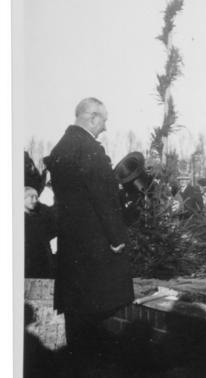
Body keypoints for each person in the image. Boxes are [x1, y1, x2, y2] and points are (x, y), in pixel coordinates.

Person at [45, 98, 134, 354]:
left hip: (72, 245)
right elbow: (105, 200)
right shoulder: (90, 149)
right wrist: (117, 238)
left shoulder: (61, 147)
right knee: (98, 308)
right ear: (93, 117)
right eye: (104, 121)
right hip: (95, 245)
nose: (105, 128)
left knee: (76, 309)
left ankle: (79, 362)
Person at [24, 186, 57, 278]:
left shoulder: (38, 218)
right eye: (31, 197)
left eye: (36, 197)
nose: (35, 200)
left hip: (41, 260)